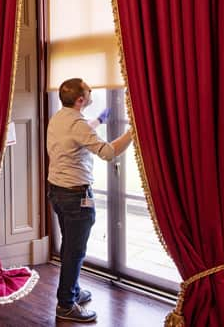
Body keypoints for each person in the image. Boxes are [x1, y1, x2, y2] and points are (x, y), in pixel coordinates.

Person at [47, 78, 132, 323]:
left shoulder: (59, 117)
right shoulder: (78, 123)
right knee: (75, 250)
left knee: (69, 246)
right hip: (76, 196)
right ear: (81, 100)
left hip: (57, 192)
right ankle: (65, 304)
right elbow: (107, 152)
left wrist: (100, 120)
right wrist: (132, 132)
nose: (93, 90)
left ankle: (72, 290)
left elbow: (79, 134)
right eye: (89, 90)